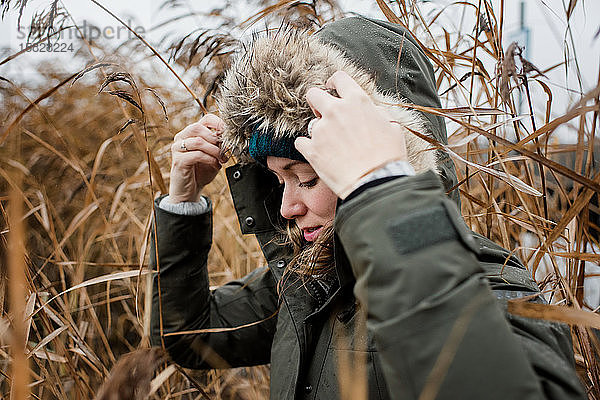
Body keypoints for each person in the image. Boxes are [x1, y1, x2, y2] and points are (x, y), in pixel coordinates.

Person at [150, 16, 585, 399]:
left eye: (308, 178)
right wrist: (182, 199)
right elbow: (189, 334)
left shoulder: (489, 282)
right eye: (278, 180)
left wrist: (381, 187)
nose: (285, 208)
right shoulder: (307, 284)